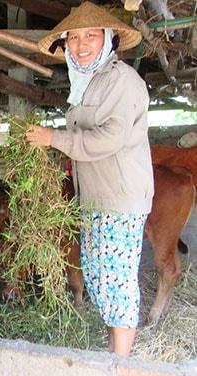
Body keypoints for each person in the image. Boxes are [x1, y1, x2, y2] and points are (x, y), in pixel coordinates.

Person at [25, 2, 154, 357]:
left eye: (91, 36)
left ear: (109, 40)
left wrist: (54, 139)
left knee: (118, 282)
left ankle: (121, 363)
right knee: (99, 279)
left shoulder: (121, 80)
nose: (81, 44)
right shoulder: (87, 84)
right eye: (74, 37)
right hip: (95, 199)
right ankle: (115, 350)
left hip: (119, 198)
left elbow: (108, 139)